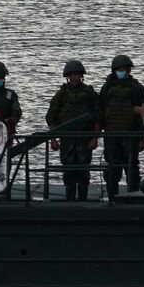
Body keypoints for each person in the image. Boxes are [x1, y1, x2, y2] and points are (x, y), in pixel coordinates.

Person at [46, 59, 99, 201]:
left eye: (77, 74)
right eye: (72, 75)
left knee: (83, 171)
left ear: (81, 76)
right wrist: (53, 139)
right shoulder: (62, 94)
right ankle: (69, 199)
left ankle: (83, 199)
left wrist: (95, 138)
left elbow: (98, 117)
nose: (74, 78)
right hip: (67, 139)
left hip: (85, 138)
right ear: (67, 76)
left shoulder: (90, 94)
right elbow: (51, 117)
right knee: (68, 171)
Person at [97, 54, 144, 198]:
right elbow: (100, 111)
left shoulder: (137, 88)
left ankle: (133, 197)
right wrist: (96, 134)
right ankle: (112, 198)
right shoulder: (106, 88)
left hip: (131, 135)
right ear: (114, 70)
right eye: (119, 69)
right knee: (112, 169)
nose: (122, 71)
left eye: (125, 68)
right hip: (111, 135)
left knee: (132, 169)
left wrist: (143, 138)